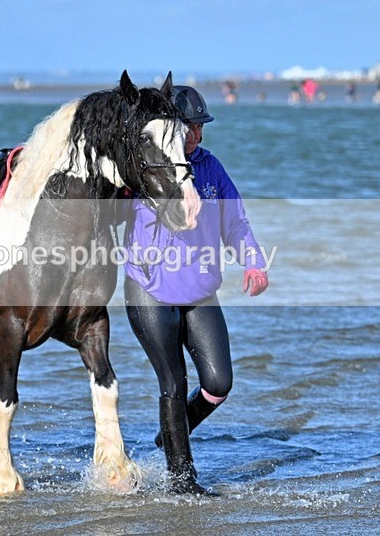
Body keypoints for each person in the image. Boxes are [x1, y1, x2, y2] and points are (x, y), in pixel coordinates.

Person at [123, 86, 269, 494]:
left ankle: (173, 433)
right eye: (188, 127)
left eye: (199, 128)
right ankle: (182, 480)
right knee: (173, 383)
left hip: (199, 291)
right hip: (149, 290)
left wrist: (253, 260)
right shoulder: (143, 170)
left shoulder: (211, 167)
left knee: (219, 383)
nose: (195, 136)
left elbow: (235, 222)